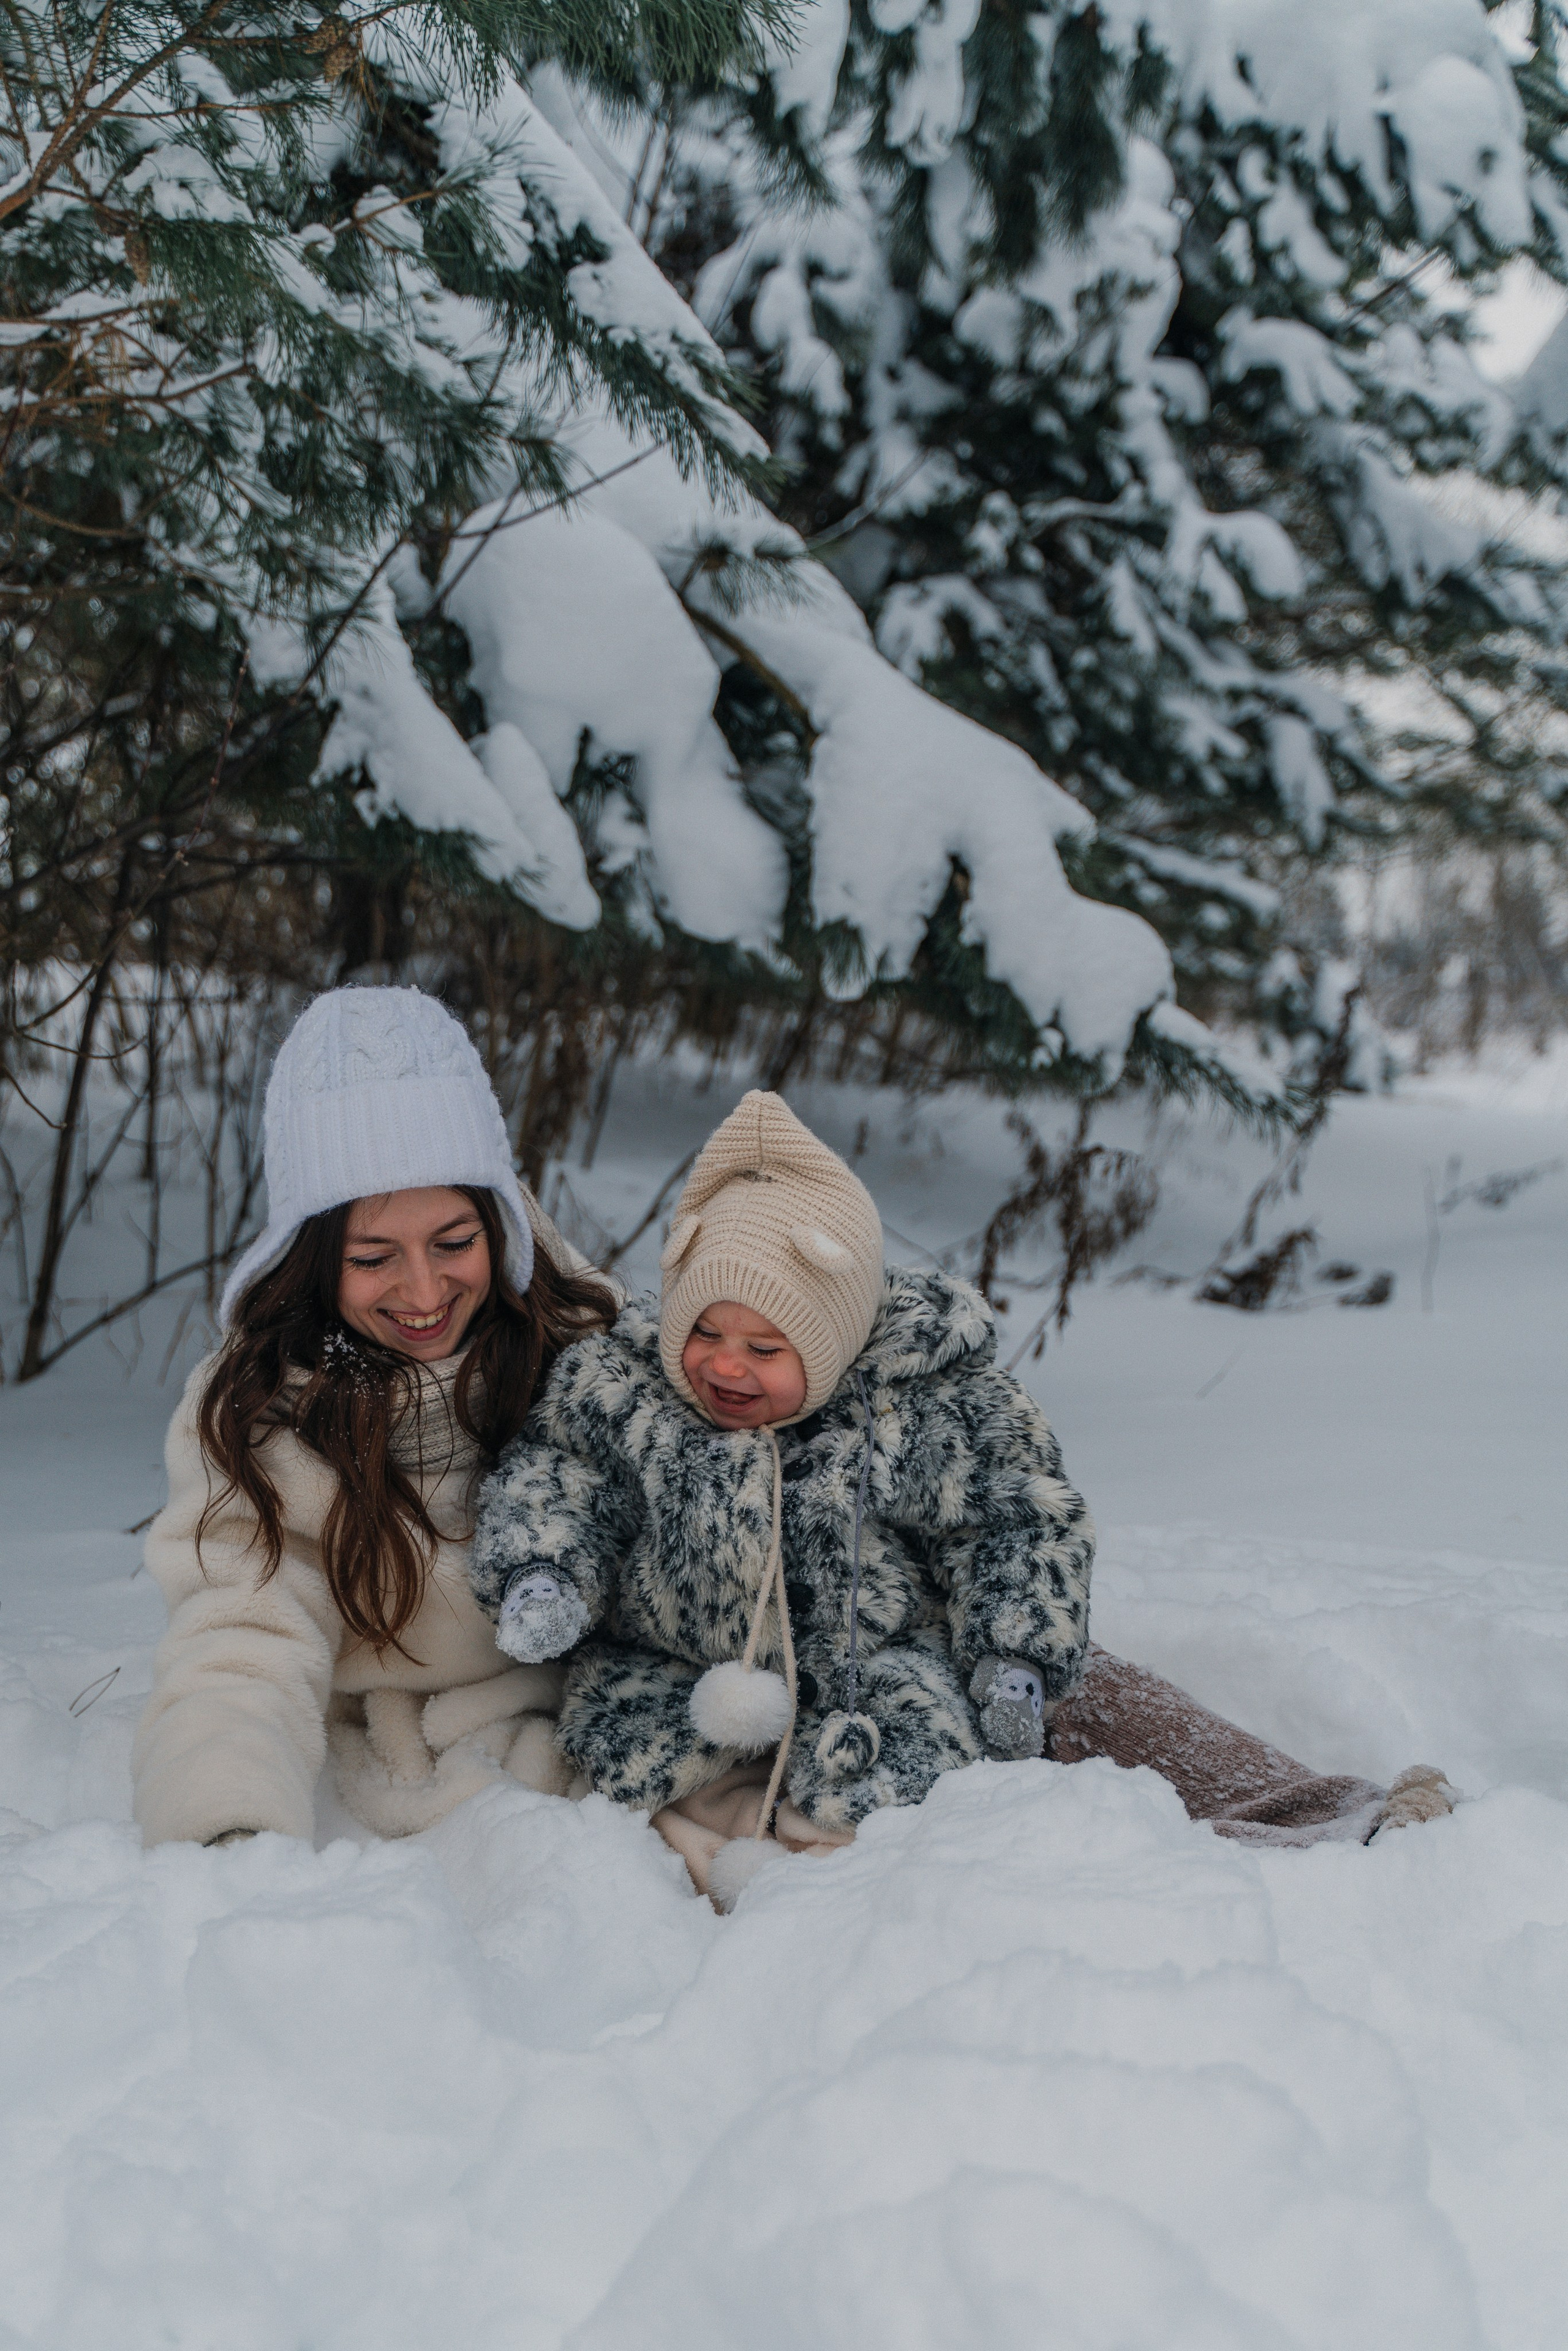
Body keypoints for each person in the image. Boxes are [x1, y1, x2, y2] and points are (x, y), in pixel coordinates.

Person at [471, 1090, 1457, 1909]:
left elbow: (1019, 1513)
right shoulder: (626, 1397)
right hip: (701, 1707)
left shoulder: (919, 1402)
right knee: (967, 1839)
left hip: (907, 1669)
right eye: (706, 1334)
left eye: (766, 1349)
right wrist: (546, 1571)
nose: (726, 1367)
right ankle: (1175, 1890)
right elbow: (558, 1478)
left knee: (1101, 1697)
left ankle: (1320, 1815)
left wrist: (1015, 1651)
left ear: (833, 1338)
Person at [132, 985, 616, 1848]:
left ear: (499, 1228)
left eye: (454, 1242)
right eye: (373, 1256)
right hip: (407, 1771)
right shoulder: (260, 1415)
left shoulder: (584, 1352)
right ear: (311, 1259)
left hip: (605, 1732)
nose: (426, 1293)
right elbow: (241, 1642)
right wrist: (226, 1822)